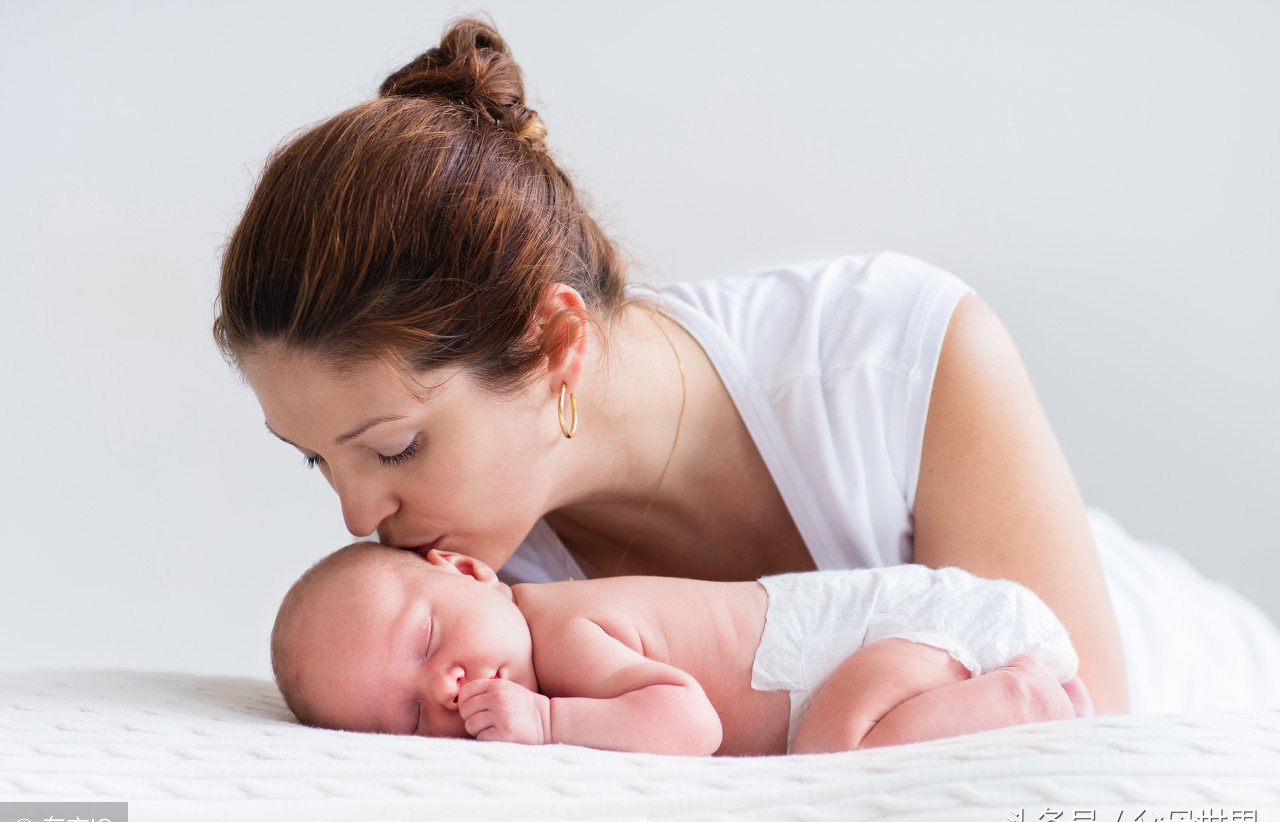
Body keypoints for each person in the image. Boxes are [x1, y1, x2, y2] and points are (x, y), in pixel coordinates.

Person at [216, 18, 1280, 718]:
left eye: (392, 446)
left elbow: (1072, 724)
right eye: (315, 462)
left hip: (1209, 686)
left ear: (553, 343)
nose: (360, 518)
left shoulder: (891, 356)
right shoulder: (461, 610)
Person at [272, 542, 1092, 755]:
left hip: (903, 630)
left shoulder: (561, 633)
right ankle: (1016, 703)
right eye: (413, 717)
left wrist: (550, 722)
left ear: (467, 570)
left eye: (428, 640)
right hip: (894, 648)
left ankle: (1021, 695)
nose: (447, 689)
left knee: (835, 751)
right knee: (840, 740)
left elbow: (688, 724)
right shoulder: (534, 638)